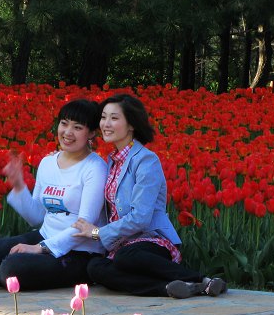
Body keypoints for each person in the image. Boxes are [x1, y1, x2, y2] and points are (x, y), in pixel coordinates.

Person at [72, 93, 227, 298]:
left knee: (126, 258)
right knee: (95, 268)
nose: (106, 124)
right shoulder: (111, 161)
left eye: (114, 118)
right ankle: (170, 288)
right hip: (122, 246)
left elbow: (141, 218)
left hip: (150, 242)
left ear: (131, 125)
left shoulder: (146, 161)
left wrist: (97, 233)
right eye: (103, 117)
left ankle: (200, 279)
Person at [0, 99, 109, 291]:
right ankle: (1, 275)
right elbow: (37, 217)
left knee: (13, 268)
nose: (67, 132)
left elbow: (84, 227)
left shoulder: (95, 168)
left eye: (77, 127)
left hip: (79, 252)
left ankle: (1, 276)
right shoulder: (48, 163)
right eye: (64, 124)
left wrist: (40, 248)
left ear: (91, 133)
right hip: (45, 236)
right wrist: (18, 185)